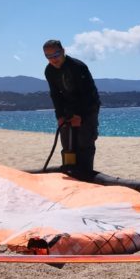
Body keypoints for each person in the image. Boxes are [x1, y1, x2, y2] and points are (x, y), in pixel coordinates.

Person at [44, 40, 101, 177]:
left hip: (88, 108)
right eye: (48, 56)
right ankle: (70, 172)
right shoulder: (49, 71)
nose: (53, 59)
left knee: (84, 143)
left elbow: (87, 94)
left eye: (56, 55)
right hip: (68, 109)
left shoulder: (77, 67)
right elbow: (55, 95)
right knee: (67, 143)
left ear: (63, 51)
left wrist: (79, 115)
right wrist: (60, 116)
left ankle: (86, 176)